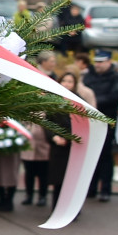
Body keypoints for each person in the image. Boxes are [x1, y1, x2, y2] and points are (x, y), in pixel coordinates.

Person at [82, 50, 118, 202]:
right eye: (96, 62)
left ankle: (105, 189)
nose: (98, 65)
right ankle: (91, 188)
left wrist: (93, 102)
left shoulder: (116, 77)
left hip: (106, 120)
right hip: (89, 121)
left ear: (109, 62)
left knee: (105, 156)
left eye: (101, 62)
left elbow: (114, 96)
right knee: (90, 156)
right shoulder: (89, 76)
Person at [47, 72, 78, 211]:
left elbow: (82, 124)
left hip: (74, 147)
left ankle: (72, 209)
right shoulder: (54, 100)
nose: (67, 84)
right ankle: (56, 208)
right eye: (64, 80)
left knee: (72, 180)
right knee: (58, 179)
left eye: (70, 81)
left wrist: (69, 138)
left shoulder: (79, 101)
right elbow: (47, 122)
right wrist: (54, 137)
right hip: (57, 146)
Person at [20, 123, 51, 207]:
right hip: (28, 149)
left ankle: (42, 196)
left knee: (43, 175)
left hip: (43, 149)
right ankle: (29, 195)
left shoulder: (47, 116)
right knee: (29, 174)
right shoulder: (27, 117)